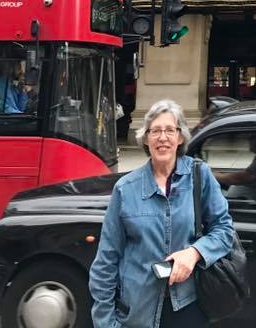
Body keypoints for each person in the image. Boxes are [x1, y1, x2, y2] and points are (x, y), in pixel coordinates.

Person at [89, 99, 235, 328]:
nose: (162, 137)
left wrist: (195, 253)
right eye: (155, 131)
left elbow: (224, 230)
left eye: (170, 130)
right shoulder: (125, 189)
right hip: (138, 310)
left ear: (180, 137)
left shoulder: (200, 176)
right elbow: (106, 260)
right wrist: (105, 322)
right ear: (146, 139)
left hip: (188, 306)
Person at [213, 131, 256, 201]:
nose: (248, 140)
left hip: (244, 203)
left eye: (252, 137)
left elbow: (240, 178)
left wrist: (213, 175)